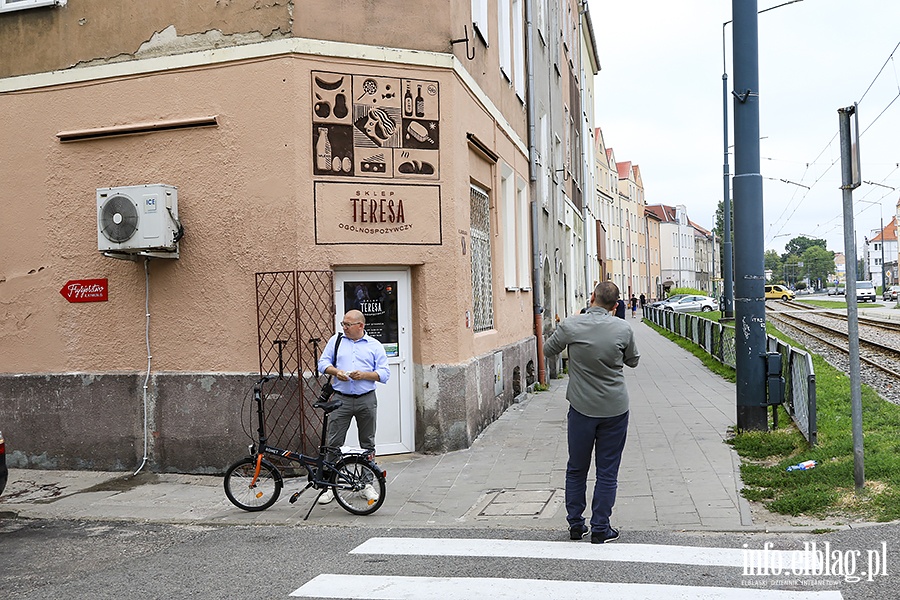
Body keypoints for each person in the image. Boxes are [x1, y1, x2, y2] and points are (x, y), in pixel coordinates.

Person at [543, 281, 640, 544]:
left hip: (582, 408)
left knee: (576, 467)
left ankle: (576, 525)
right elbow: (633, 360)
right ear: (616, 305)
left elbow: (548, 350)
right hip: (615, 408)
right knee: (607, 470)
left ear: (591, 298)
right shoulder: (623, 328)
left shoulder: (571, 326)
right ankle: (601, 528)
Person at [316, 309, 390, 504]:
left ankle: (366, 484)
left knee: (367, 444)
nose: (344, 328)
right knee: (333, 443)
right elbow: (322, 363)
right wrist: (336, 371)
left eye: (348, 325)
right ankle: (330, 486)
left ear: (360, 326)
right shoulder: (337, 340)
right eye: (343, 324)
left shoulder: (374, 345)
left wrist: (364, 375)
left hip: (366, 399)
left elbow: (384, 374)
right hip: (341, 399)